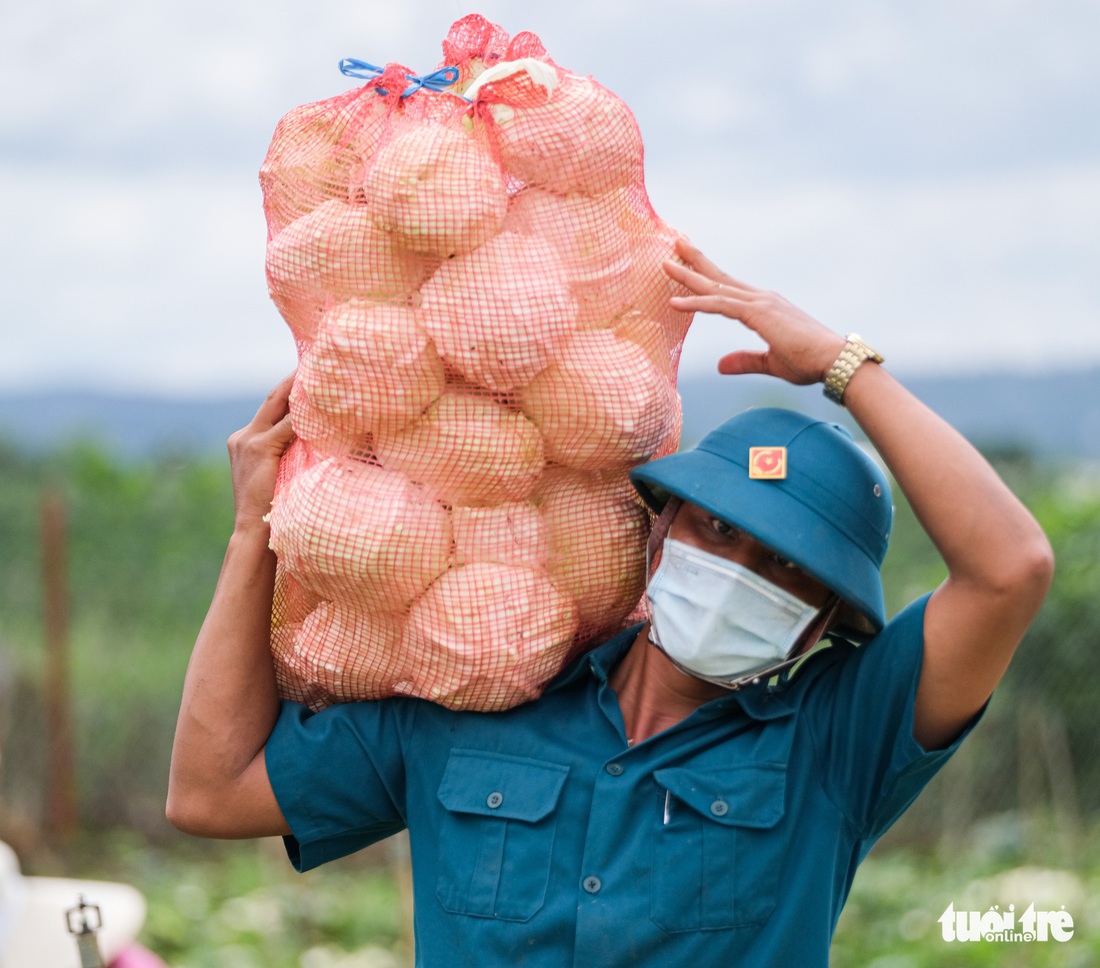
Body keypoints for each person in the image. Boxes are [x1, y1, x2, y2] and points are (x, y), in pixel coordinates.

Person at [167, 239, 1054, 966]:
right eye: (717, 528)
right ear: (659, 531)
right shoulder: (476, 692)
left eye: (785, 569)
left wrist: (842, 364)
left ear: (824, 622)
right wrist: (255, 532)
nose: (739, 570)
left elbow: (1010, 568)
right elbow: (210, 795)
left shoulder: (835, 739)